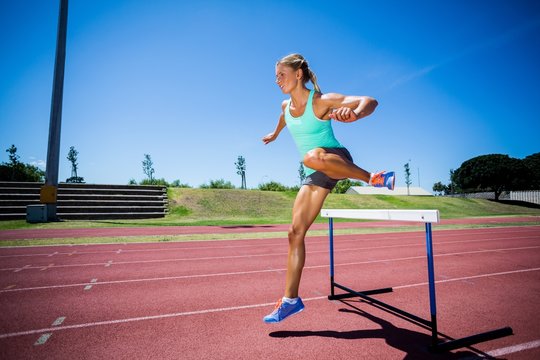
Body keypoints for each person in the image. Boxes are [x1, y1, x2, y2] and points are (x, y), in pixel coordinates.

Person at [261, 53, 395, 323]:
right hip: (315, 173)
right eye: (275, 76)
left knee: (310, 156)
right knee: (294, 232)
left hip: (334, 158)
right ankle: (290, 300)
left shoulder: (320, 101)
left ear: (298, 75)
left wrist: (355, 114)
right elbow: (283, 118)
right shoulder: (285, 105)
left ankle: (372, 178)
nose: (277, 80)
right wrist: (274, 135)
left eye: (281, 75)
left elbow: (371, 101)